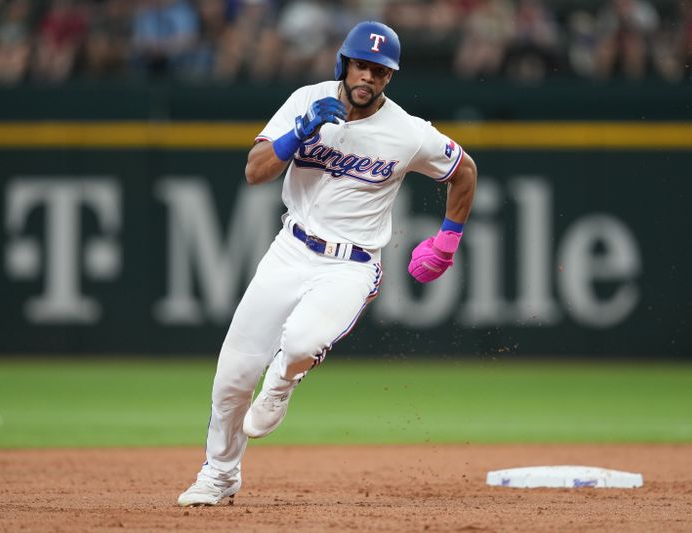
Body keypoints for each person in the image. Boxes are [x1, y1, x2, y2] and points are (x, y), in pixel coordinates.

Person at [177, 20, 477, 507]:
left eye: (380, 71)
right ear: (344, 63)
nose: (368, 78)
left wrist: (448, 239)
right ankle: (219, 474)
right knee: (232, 376)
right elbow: (255, 171)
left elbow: (463, 170)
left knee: (300, 343)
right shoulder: (306, 100)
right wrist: (299, 132)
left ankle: (283, 380)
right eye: (361, 65)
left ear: (389, 78)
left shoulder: (407, 133)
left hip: (351, 265)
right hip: (290, 249)